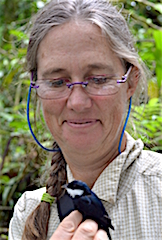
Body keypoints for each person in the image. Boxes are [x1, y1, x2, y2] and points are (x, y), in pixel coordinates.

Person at [9, 0, 162, 239]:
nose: (77, 103)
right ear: (36, 88)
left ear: (130, 82)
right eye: (57, 82)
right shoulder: (27, 213)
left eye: (99, 79)